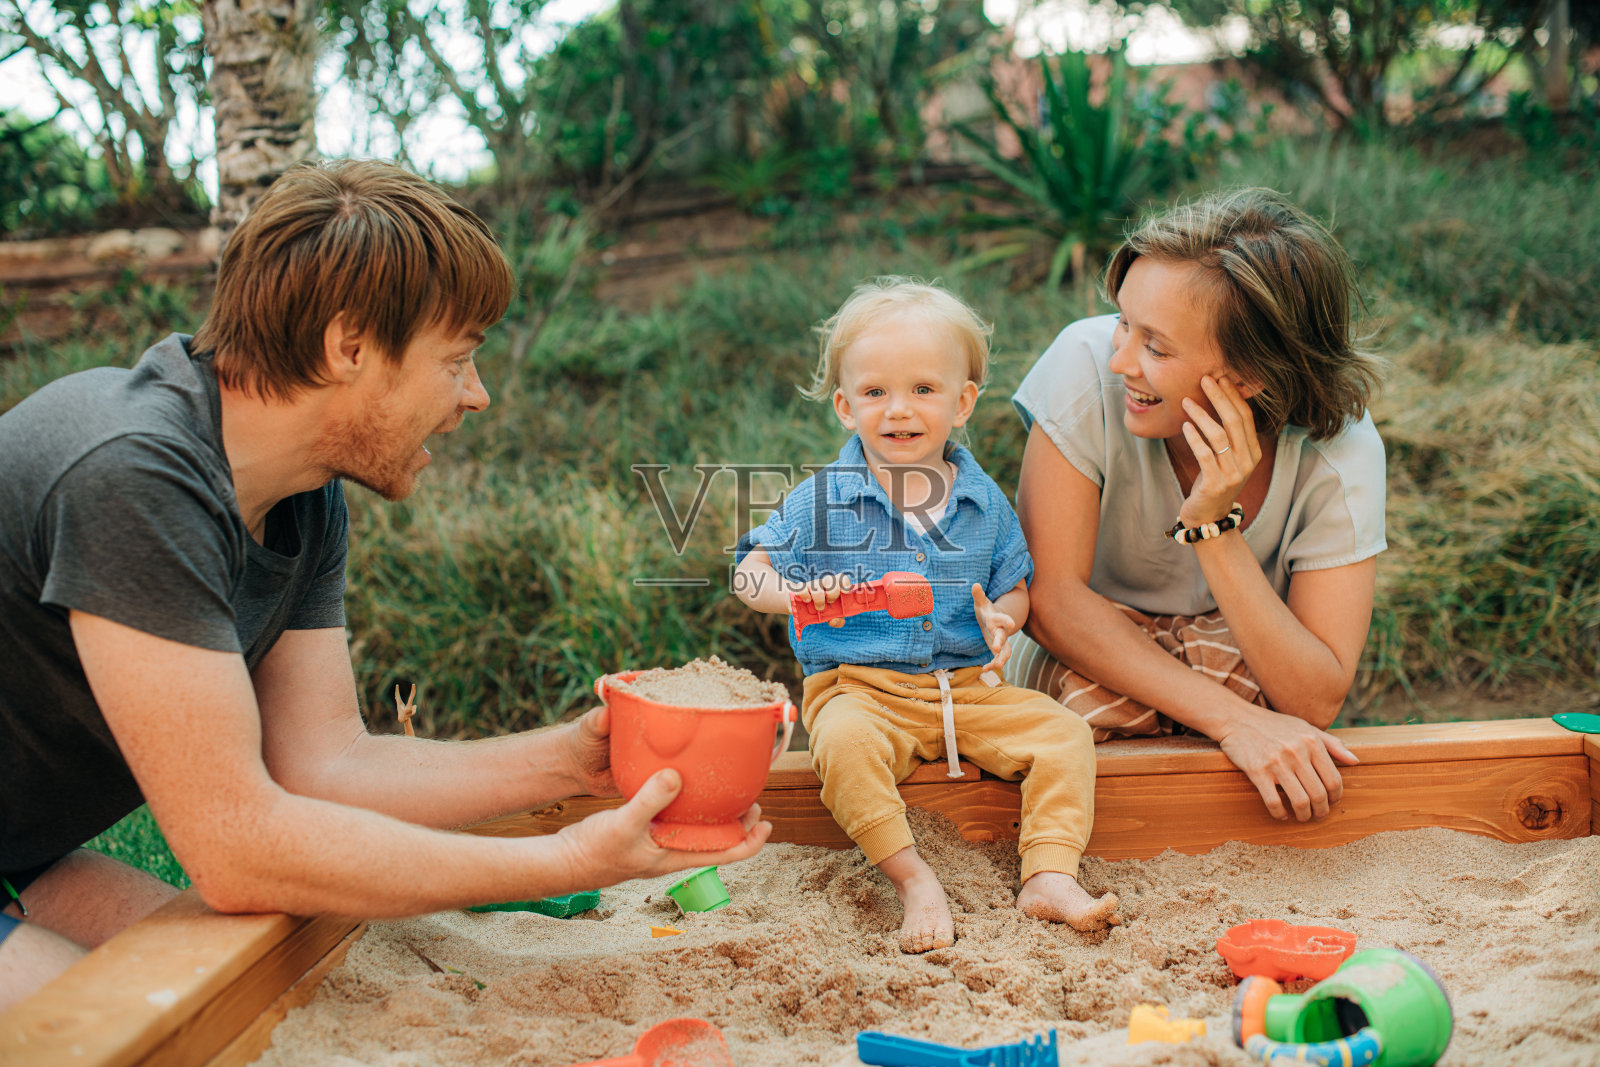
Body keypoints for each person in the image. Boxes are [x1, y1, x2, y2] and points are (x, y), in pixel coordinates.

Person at [0, 160, 769, 1012]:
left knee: (260, 997)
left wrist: (566, 761)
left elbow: (324, 767)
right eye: (458, 359)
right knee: (105, 1027)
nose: (477, 395)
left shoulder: (303, 497)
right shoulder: (133, 474)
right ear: (350, 345)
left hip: (22, 848)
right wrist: (564, 862)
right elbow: (237, 846)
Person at [733, 278, 1119, 955]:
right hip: (860, 686)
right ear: (845, 406)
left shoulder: (983, 501)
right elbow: (747, 573)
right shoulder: (821, 501)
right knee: (844, 745)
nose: (899, 409)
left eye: (923, 389)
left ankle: (1050, 875)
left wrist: (1003, 619)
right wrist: (797, 593)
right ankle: (914, 880)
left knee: (1064, 735)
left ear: (962, 400)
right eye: (876, 392)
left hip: (967, 687)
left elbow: (1015, 583)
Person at [1005, 187, 1386, 824]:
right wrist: (1238, 724)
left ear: (1251, 375)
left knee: (1231, 666)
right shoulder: (1083, 364)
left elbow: (1313, 696)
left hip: (1233, 665)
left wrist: (1212, 525)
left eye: (1156, 346)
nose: (1119, 359)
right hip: (1088, 662)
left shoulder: (1339, 454)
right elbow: (1051, 601)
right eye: (1124, 322)